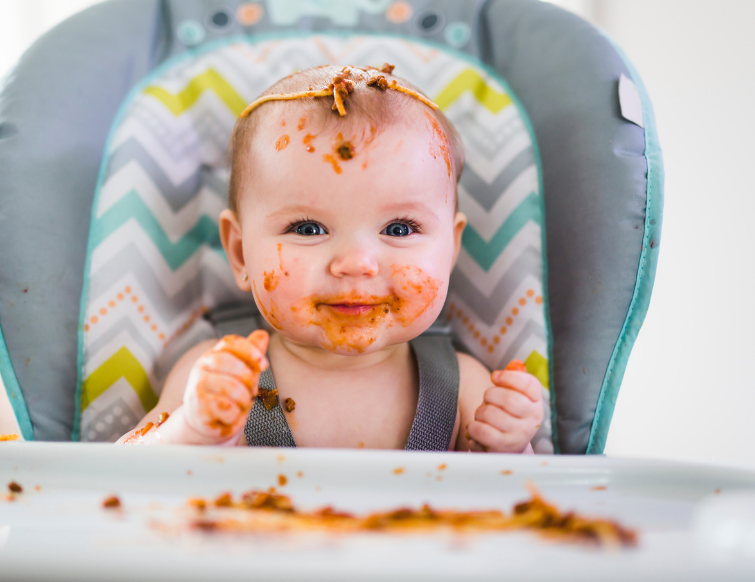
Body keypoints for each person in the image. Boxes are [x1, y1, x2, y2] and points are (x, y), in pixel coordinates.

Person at [117, 65, 543, 452]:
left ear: (450, 248)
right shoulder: (219, 377)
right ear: (238, 252)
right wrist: (191, 431)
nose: (357, 263)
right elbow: (120, 477)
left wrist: (508, 447)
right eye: (307, 229)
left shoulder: (464, 386)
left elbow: (522, 509)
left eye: (398, 229)